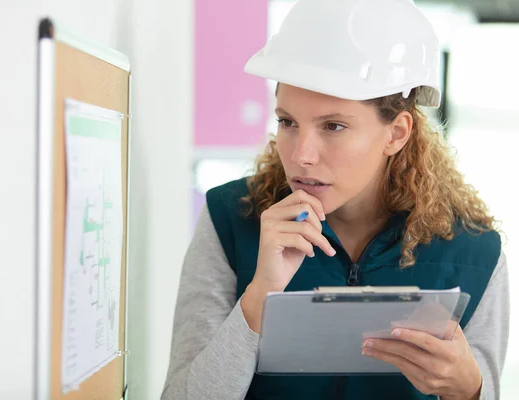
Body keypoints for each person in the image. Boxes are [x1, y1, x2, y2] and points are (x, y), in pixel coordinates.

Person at [162, 0, 510, 398]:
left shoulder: (476, 252)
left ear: (396, 133)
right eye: (287, 121)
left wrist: (471, 391)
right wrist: (261, 294)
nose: (301, 154)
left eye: (334, 126)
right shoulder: (231, 218)